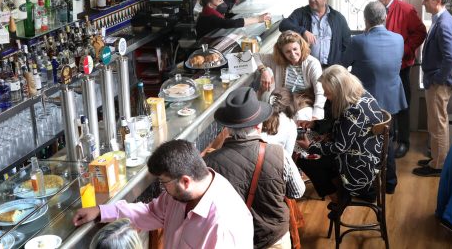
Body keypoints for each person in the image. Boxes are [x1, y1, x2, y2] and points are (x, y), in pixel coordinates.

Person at [73, 140, 253, 249]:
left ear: (185, 181)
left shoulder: (224, 225)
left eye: (163, 182)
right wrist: (100, 211)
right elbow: (150, 213)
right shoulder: (181, 195)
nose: (163, 188)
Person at [204, 87, 305, 249]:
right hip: (274, 238)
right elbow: (297, 192)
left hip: (233, 240)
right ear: (259, 124)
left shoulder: (209, 164)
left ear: (228, 128)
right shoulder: (279, 154)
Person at [297, 65, 393, 203]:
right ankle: (339, 190)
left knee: (307, 162)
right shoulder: (363, 95)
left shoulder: (352, 111)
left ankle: (338, 198)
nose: (325, 95)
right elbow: (343, 127)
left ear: (339, 91)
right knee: (318, 157)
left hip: (359, 165)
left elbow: (339, 147)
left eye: (328, 92)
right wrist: (316, 125)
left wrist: (310, 146)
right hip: (370, 152)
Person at [375, 0, 427, 158]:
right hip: (382, 67)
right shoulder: (376, 10)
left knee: (403, 104)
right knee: (383, 103)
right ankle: (388, 137)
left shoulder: (405, 9)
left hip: (402, 66)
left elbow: (421, 32)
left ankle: (404, 141)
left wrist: (403, 50)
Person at [413, 0, 452, 177]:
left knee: (438, 125)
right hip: (436, 82)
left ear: (438, 1)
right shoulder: (440, 19)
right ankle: (436, 159)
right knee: (435, 124)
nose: (423, 2)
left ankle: (439, 165)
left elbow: (451, 58)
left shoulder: (444, 23)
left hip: (439, 84)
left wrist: (437, 79)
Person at [341, 1, 407, 117]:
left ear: (365, 19)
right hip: (392, 100)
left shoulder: (357, 41)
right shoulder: (399, 39)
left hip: (365, 101)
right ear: (385, 17)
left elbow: (342, 66)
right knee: (387, 131)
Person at [257, 30, 326, 120]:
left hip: (303, 100)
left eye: (295, 49)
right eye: (288, 52)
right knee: (271, 117)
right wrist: (263, 70)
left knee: (300, 117)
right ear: (282, 53)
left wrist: (316, 115)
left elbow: (320, 91)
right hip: (282, 100)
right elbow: (252, 56)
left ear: (301, 47)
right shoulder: (276, 60)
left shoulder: (312, 63)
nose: (293, 54)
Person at [278, 0, 351, 66]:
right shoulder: (301, 13)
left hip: (331, 69)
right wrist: (303, 31)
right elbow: (283, 25)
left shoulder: (338, 18)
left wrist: (341, 64)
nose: (312, 0)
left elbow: (347, 44)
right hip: (307, 67)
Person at [196, 0, 269, 39]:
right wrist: (258, 19)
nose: (223, 3)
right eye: (220, 1)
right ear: (210, 5)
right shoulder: (208, 18)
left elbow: (229, 16)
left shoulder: (209, 13)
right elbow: (232, 23)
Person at [261, 88, 298, 156]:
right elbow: (287, 156)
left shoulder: (260, 113)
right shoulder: (291, 126)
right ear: (291, 105)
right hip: (273, 162)